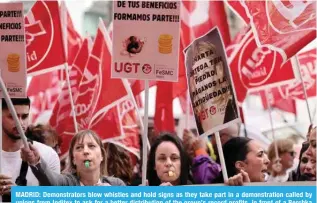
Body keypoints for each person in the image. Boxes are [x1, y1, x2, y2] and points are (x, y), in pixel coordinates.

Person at [0, 98, 60, 202]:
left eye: (24, 116)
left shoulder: (48, 155)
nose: (20, 123)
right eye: (12, 117)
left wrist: (21, 195)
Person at [21, 129, 125, 186]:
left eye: (91, 146)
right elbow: (51, 180)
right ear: (73, 159)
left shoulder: (116, 185)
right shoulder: (65, 183)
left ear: (102, 155)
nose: (85, 151)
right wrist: (37, 161)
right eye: (79, 148)